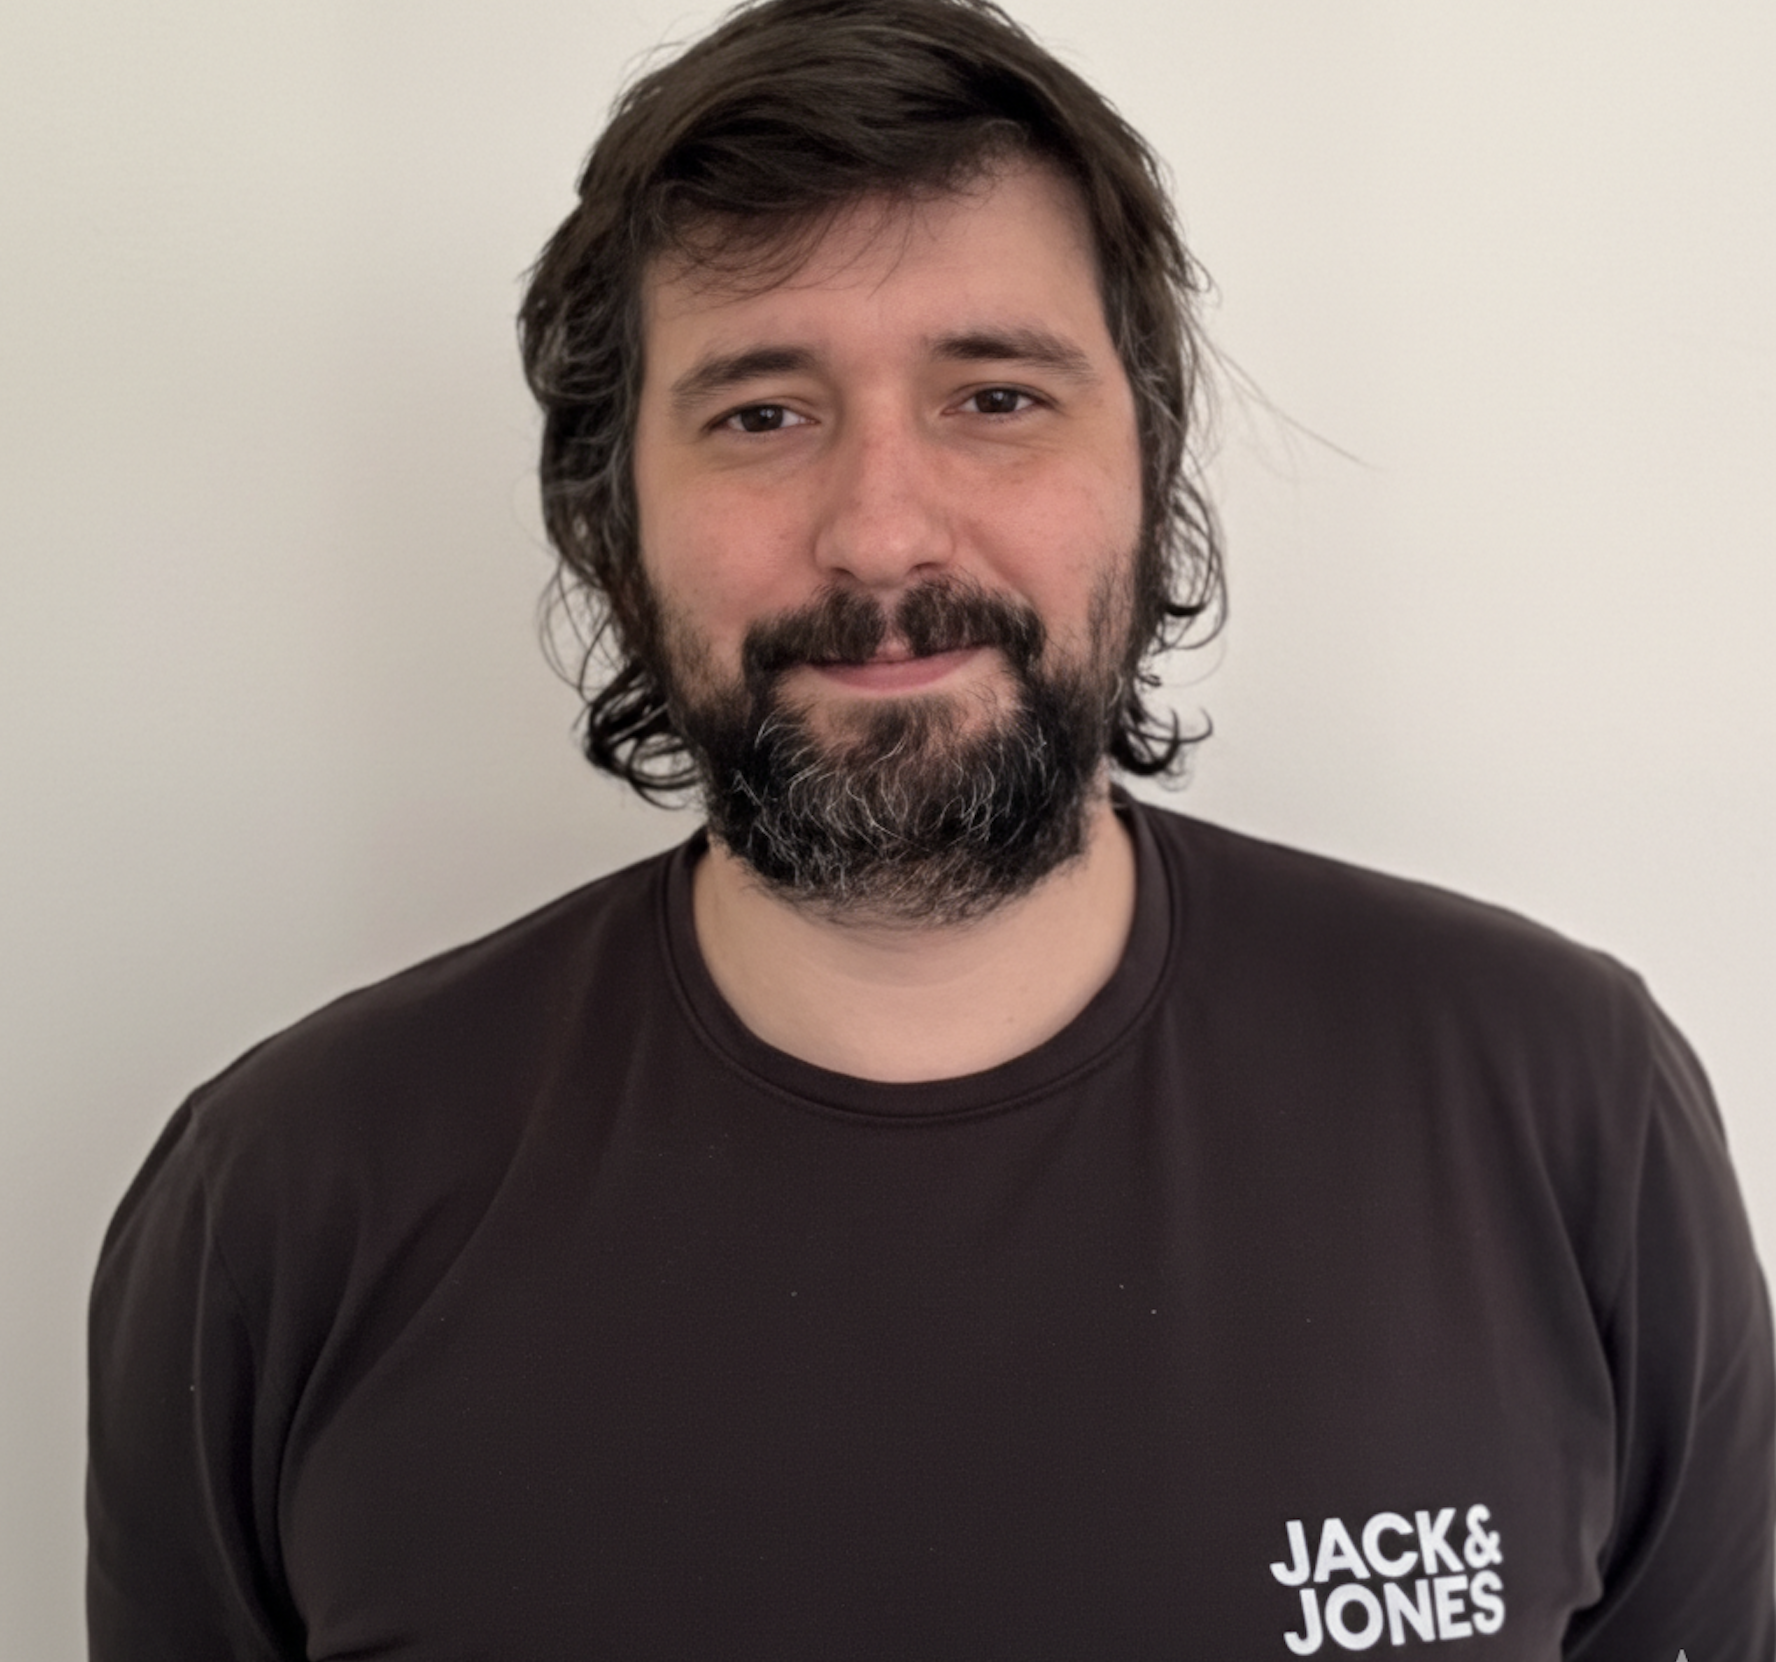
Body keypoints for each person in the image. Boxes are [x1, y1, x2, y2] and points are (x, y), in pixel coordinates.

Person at [86, 0, 1774, 1655]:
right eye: (762, 413)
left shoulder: (1561, 1104)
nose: (883, 532)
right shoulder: (287, 1201)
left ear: (1150, 463)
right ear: (613, 522)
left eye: (996, 397)